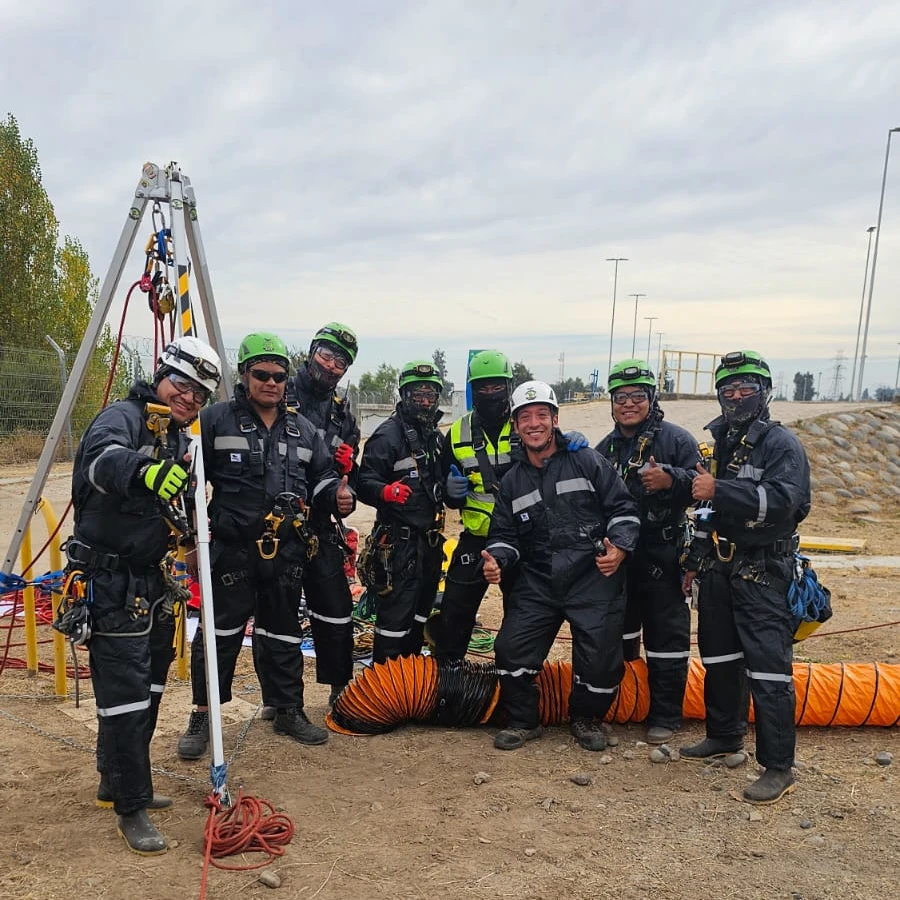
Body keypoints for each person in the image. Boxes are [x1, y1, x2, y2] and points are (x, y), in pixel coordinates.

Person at [69, 336, 221, 855]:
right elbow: (102, 461)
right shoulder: (124, 418)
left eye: (200, 395)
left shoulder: (177, 438)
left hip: (154, 581)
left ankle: (115, 779)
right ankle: (130, 807)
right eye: (182, 384)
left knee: (150, 686)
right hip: (111, 583)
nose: (189, 398)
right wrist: (144, 470)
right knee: (125, 696)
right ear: (161, 374)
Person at [177, 332, 354, 761]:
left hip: (286, 552)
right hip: (232, 551)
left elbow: (324, 478)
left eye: (278, 375)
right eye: (261, 374)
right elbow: (187, 483)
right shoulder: (214, 421)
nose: (271, 383)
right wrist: (189, 542)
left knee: (282, 633)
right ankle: (203, 716)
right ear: (244, 375)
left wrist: (337, 496)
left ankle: (289, 709)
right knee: (218, 636)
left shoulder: (303, 429)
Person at [482, 381, 641, 752]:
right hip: (538, 581)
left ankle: (586, 718)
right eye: (525, 417)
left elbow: (623, 509)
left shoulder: (587, 461)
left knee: (602, 658)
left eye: (541, 415)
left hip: (593, 576)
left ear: (555, 419)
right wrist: (497, 561)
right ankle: (524, 720)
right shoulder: (512, 482)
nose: (534, 423)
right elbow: (504, 536)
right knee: (509, 650)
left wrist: (619, 548)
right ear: (516, 426)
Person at [681, 350, 810, 805]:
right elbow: (705, 508)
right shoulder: (721, 442)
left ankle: (778, 767)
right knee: (719, 657)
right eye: (728, 390)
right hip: (720, 567)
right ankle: (724, 735)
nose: (736, 396)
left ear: (764, 392)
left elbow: (784, 502)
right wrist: (694, 560)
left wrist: (721, 489)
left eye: (745, 389)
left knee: (769, 671)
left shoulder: (780, 445)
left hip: (763, 569)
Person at [432, 349, 590, 661]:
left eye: (497, 387)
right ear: (472, 390)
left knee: (520, 617)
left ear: (509, 386)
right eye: (482, 387)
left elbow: (554, 458)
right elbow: (445, 493)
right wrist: (451, 493)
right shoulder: (457, 433)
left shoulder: (526, 424)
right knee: (453, 615)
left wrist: (571, 442)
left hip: (523, 539)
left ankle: (515, 681)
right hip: (477, 538)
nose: (489, 394)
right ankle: (448, 682)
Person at [596, 359, 701, 744]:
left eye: (637, 396)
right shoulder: (603, 449)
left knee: (666, 641)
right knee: (615, 638)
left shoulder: (677, 440)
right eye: (620, 397)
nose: (628, 404)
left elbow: (708, 495)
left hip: (665, 555)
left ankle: (665, 716)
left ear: (652, 398)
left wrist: (671, 479)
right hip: (620, 561)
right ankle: (624, 705)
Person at [260, 322, 361, 713]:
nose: (332, 365)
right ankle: (278, 698)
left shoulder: (342, 415)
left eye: (341, 361)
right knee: (275, 612)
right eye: (327, 354)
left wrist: (346, 480)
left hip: (321, 525)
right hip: (276, 523)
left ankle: (340, 688)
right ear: (312, 351)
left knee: (336, 609)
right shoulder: (278, 391)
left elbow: (348, 475)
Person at [356, 360, 446, 663]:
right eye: (417, 395)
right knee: (394, 627)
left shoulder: (434, 435)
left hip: (430, 546)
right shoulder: (387, 435)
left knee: (419, 622)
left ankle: (408, 693)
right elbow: (363, 481)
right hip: (398, 547)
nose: (423, 401)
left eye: (430, 395)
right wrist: (384, 492)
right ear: (404, 395)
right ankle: (384, 696)